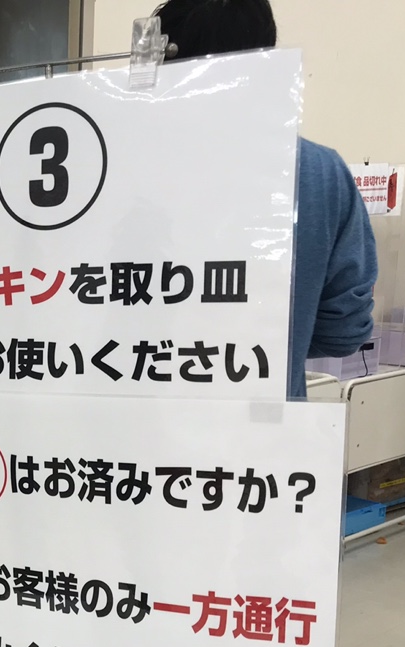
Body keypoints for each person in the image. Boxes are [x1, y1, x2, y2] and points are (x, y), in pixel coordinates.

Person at [155, 0, 378, 398]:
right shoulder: (320, 173)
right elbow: (344, 330)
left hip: (123, 421)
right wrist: (279, 343)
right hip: (264, 425)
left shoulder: (108, 169)